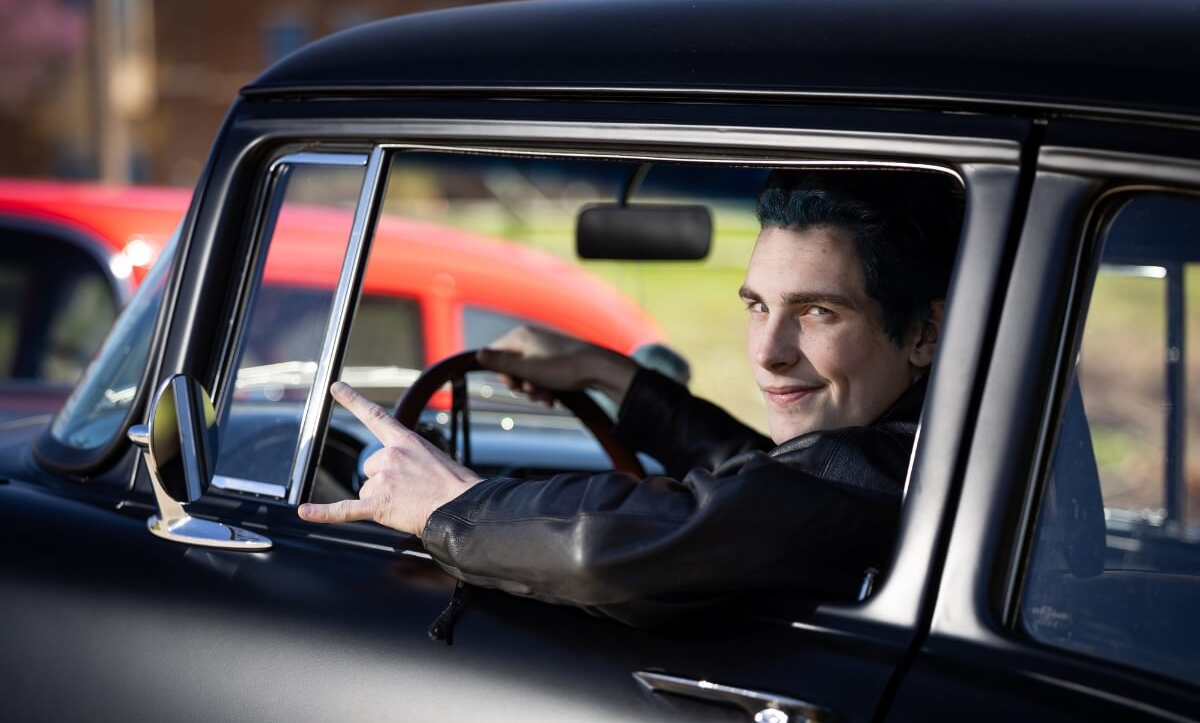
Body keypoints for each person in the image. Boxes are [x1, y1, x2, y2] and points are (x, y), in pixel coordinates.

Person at [299, 171, 960, 623]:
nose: (767, 351)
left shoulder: (870, 480)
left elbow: (605, 549)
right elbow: (769, 481)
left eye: (817, 312)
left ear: (924, 333)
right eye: (757, 307)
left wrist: (454, 507)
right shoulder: (909, 452)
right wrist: (608, 375)